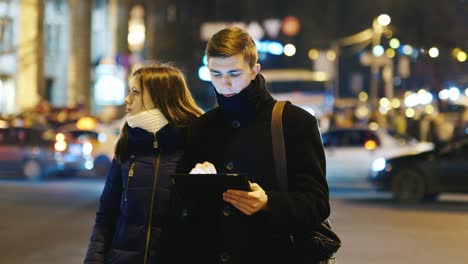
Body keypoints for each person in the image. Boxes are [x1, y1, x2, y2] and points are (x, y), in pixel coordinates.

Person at [170, 27, 330, 263]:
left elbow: (317, 204)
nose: (224, 83)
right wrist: (195, 182)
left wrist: (269, 202)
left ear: (254, 71)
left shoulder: (294, 123)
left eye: (234, 73)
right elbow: (181, 207)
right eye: (215, 73)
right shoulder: (202, 127)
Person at [84, 64, 203, 264]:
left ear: (160, 97)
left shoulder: (195, 144)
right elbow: (106, 216)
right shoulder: (127, 143)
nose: (127, 99)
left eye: (135, 92)